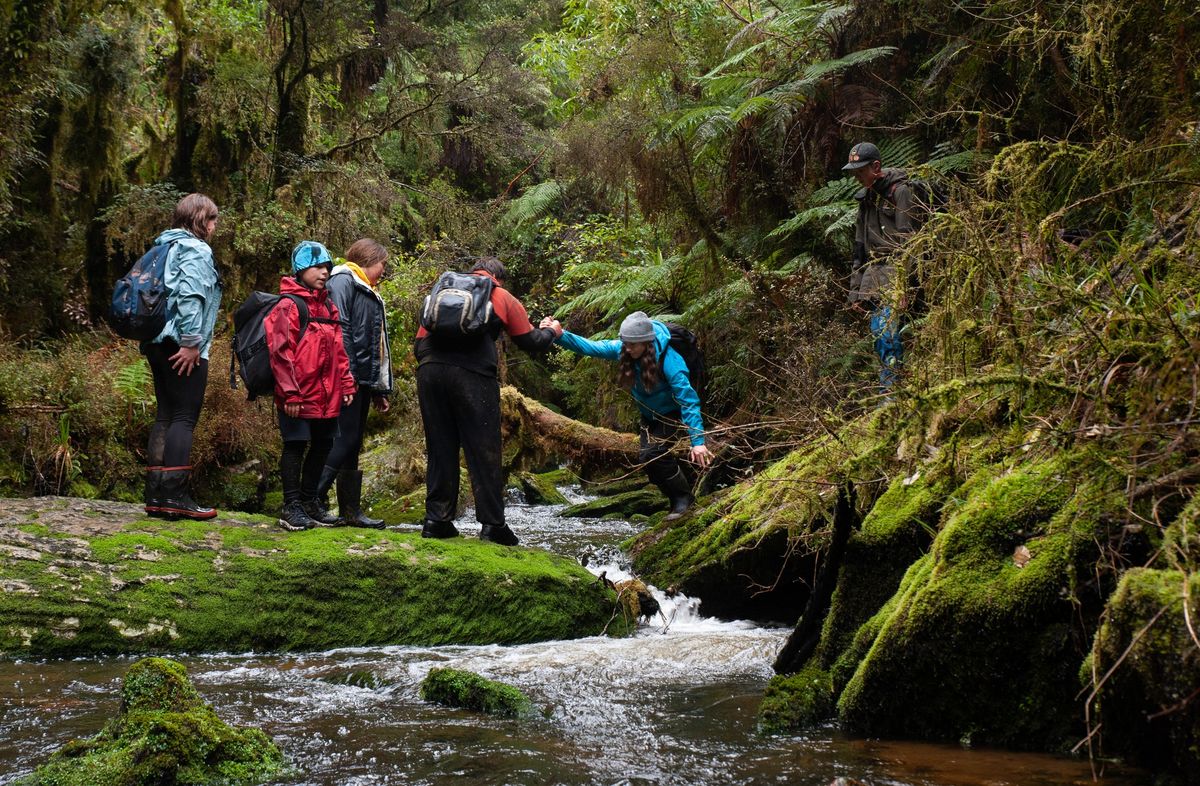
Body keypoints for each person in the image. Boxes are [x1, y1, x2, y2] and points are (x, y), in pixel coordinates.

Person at [414, 256, 558, 545]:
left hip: (429, 371)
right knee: (483, 449)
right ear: (498, 277)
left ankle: (436, 520)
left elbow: (419, 343)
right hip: (473, 375)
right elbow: (530, 342)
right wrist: (552, 331)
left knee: (440, 446)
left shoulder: (442, 294)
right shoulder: (500, 295)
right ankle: (492, 526)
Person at [545, 311, 712, 520]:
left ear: (646, 343)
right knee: (647, 459)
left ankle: (683, 500)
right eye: (626, 343)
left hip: (672, 414)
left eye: (633, 345)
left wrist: (698, 442)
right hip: (649, 415)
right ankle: (676, 498)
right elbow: (592, 347)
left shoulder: (670, 360)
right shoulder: (624, 350)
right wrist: (560, 335)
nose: (628, 348)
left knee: (654, 454)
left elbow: (689, 400)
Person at [266, 241, 357, 531]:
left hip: (328, 393)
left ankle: (309, 501)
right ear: (300, 270)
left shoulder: (328, 305)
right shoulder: (288, 306)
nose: (324, 272)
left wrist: (346, 382)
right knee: (295, 445)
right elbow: (280, 353)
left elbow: (339, 349)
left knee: (323, 445)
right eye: (317, 267)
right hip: (298, 393)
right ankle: (291, 506)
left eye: (327, 267)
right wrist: (289, 392)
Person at [143, 193, 223, 520]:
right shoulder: (195, 248)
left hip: (156, 341)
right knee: (183, 418)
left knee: (165, 414)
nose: (215, 226)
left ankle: (156, 497)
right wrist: (191, 343)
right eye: (212, 219)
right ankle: (176, 499)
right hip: (182, 343)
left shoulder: (161, 247)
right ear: (199, 220)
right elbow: (191, 295)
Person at [314, 238, 393, 529]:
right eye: (383, 263)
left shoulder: (365, 287)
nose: (384, 269)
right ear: (370, 260)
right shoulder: (343, 281)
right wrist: (346, 375)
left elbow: (376, 343)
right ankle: (312, 499)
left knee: (353, 441)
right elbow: (340, 329)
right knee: (343, 439)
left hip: (362, 377)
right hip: (344, 375)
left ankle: (350, 511)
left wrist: (378, 388)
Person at [843, 141, 917, 391]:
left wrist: (902, 286)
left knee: (888, 333)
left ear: (876, 166)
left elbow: (909, 240)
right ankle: (892, 388)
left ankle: (892, 392)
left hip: (896, 274)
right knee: (879, 334)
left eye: (861, 171)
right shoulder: (866, 199)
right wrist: (855, 291)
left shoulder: (901, 191)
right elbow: (859, 247)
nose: (857, 177)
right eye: (854, 172)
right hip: (873, 279)